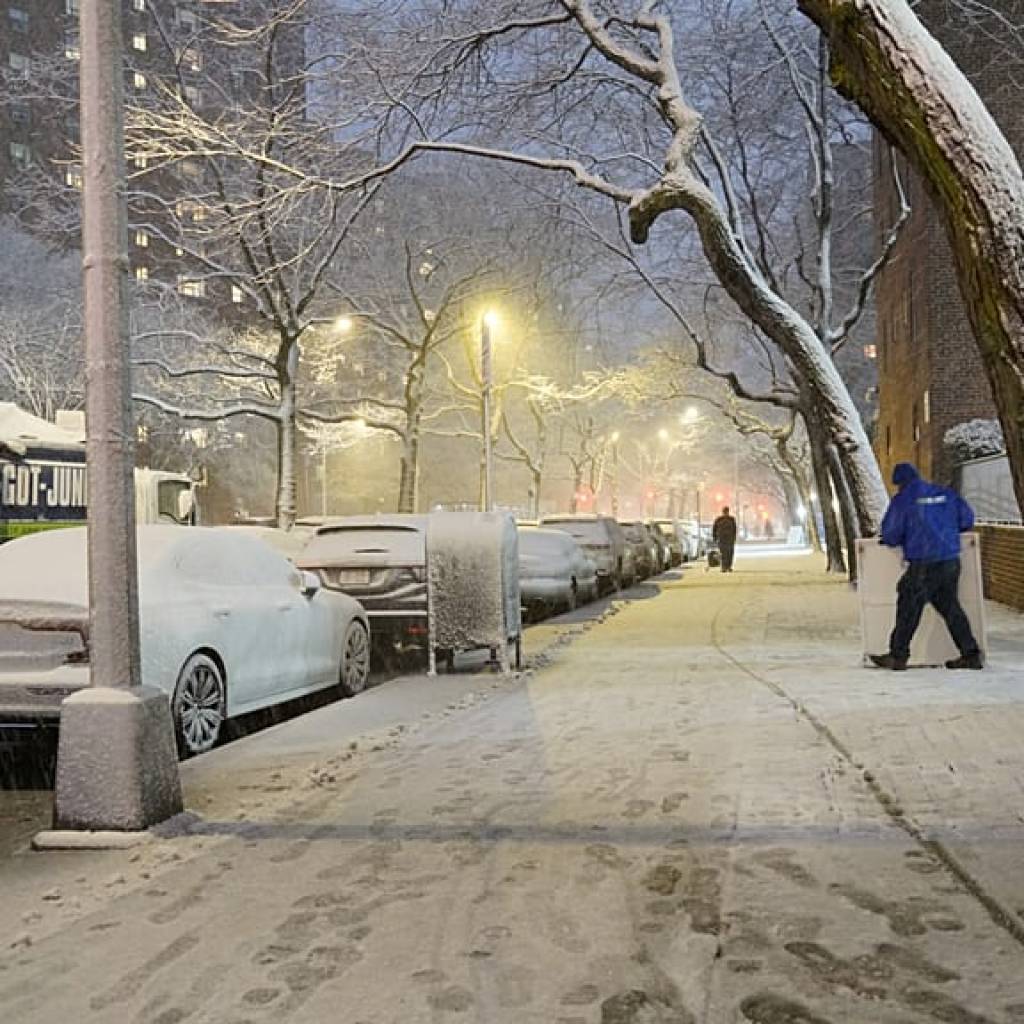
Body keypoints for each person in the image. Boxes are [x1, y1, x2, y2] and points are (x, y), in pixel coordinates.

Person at [870, 462, 983, 671]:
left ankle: (897, 655)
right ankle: (971, 654)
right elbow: (966, 519)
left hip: (923, 562)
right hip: (950, 560)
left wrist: (895, 539)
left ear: (899, 483)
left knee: (908, 607)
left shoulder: (903, 500)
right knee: (950, 607)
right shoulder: (945, 494)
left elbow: (891, 534)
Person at [712, 506, 737, 573]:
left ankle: (726, 567)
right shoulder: (731, 519)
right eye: (725, 512)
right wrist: (734, 538)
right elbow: (734, 530)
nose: (726, 513)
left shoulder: (719, 519)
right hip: (726, 539)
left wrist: (714, 538)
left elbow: (714, 529)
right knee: (727, 554)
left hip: (724, 539)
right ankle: (726, 567)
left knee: (726, 553)